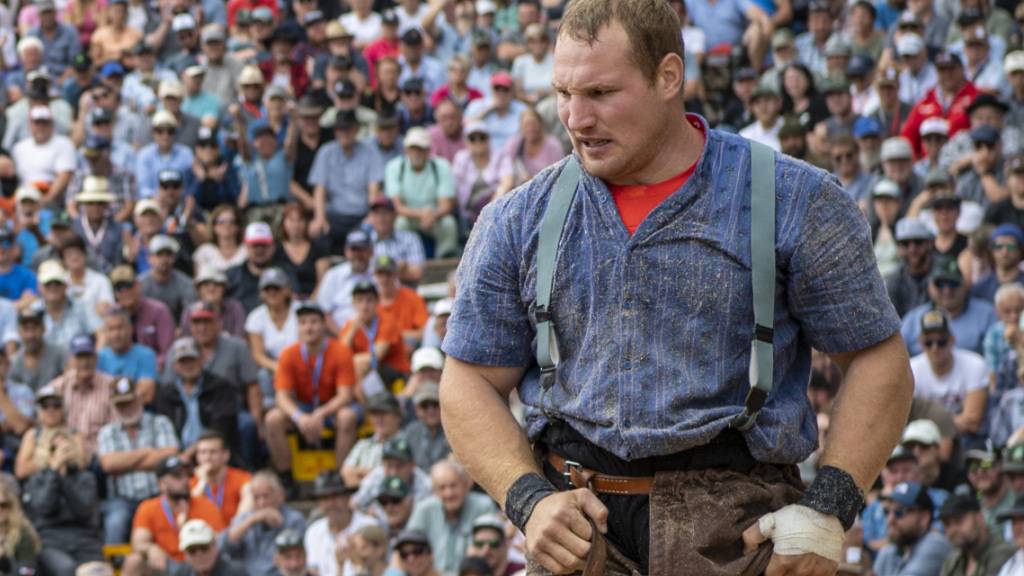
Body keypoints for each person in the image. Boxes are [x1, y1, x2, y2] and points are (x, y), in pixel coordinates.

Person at [442, 2, 914, 576]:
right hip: (580, 536)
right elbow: (467, 380)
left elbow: (876, 358)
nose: (574, 117)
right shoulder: (517, 218)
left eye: (599, 93)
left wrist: (828, 509)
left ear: (669, 77)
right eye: (563, 92)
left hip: (739, 534)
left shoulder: (795, 200)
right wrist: (527, 499)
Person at [266, 301, 358, 481]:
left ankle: (339, 476)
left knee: (347, 416)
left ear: (324, 325)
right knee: (273, 419)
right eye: (303, 322)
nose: (309, 327)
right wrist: (299, 417)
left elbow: (345, 395)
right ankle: (286, 478)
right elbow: (281, 395)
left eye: (314, 322)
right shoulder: (288, 354)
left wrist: (321, 414)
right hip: (303, 407)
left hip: (331, 407)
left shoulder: (341, 351)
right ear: (298, 327)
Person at [97, 377, 180, 545]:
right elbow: (109, 464)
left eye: (130, 402)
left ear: (139, 399)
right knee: (115, 522)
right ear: (113, 405)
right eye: (121, 404)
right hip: (122, 499)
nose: (126, 408)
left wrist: (125, 463)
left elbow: (170, 455)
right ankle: (115, 568)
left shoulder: (160, 422)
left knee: (176, 515)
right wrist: (147, 452)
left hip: (158, 494)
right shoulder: (107, 431)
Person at [22, 412, 102, 576]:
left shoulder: (85, 478)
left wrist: (64, 477)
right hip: (50, 542)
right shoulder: (37, 479)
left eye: (64, 448)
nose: (59, 453)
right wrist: (54, 473)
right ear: (46, 451)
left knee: (98, 572)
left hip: (85, 541)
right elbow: (45, 508)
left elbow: (84, 510)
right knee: (67, 569)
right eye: (54, 448)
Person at [122, 456, 226, 575]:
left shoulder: (205, 505)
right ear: (161, 484)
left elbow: (219, 542)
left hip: (197, 564)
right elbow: (138, 542)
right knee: (134, 561)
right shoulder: (148, 507)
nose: (185, 480)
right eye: (177, 476)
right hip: (165, 566)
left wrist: (186, 527)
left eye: (187, 475)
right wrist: (150, 548)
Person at [307, 110, 384, 251]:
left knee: (374, 233)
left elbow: (374, 190)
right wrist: (319, 217)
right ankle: (322, 272)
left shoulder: (370, 152)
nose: (344, 133)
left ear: (356, 129)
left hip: (361, 215)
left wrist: (372, 215)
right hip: (334, 215)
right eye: (340, 129)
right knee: (316, 232)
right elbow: (319, 189)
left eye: (348, 128)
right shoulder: (326, 152)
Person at [909, 309, 989, 444]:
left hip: (965, 440)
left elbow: (972, 423)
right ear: (920, 343)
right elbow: (908, 420)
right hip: (923, 443)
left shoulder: (975, 364)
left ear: (952, 340)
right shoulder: (911, 369)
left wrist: (929, 422)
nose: (935, 348)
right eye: (928, 342)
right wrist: (952, 422)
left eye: (941, 342)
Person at [152, 338, 241, 458]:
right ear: (175, 366)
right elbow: (165, 429)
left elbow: (220, 429)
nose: (188, 365)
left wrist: (189, 454)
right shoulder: (165, 394)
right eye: (183, 361)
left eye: (192, 360)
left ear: (202, 359)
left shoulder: (221, 387)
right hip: (177, 454)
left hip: (213, 453)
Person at [405, 461, 497, 574]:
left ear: (466, 484)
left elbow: (494, 550)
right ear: (434, 491)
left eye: (453, 485)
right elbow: (406, 546)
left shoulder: (483, 506)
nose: (448, 493)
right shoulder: (424, 509)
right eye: (442, 488)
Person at [902, 257, 998, 356]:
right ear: (929, 286)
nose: (947, 291)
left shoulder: (987, 315)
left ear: (964, 285)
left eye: (953, 283)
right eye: (940, 284)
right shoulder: (912, 320)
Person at [49, 333, 114, 458]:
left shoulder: (110, 386)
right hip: (66, 454)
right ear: (71, 359)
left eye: (88, 356)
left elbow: (116, 429)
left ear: (96, 357)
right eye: (79, 357)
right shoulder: (58, 387)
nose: (84, 362)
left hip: (100, 456)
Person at [303, 470, 377, 576]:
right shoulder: (313, 532)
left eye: (335, 496)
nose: (331, 503)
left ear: (347, 497)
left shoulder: (369, 526)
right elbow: (313, 571)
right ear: (318, 503)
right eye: (324, 498)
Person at [873, 481, 952, 576]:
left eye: (899, 512)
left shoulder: (935, 544)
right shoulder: (890, 551)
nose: (890, 520)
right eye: (887, 512)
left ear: (924, 517)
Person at [109, 265, 175, 369]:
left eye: (128, 286)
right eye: (119, 288)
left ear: (138, 285)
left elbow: (168, 352)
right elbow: (109, 351)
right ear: (114, 293)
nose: (125, 292)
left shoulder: (159, 311)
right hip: (122, 369)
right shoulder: (112, 314)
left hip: (155, 369)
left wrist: (146, 368)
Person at [939, 492, 1016, 576]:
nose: (953, 530)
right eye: (947, 524)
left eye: (959, 521)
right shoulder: (952, 560)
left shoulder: (1003, 553)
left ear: (979, 517)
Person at [227, 222, 296, 314]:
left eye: (264, 245)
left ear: (273, 246)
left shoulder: (285, 272)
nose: (259, 250)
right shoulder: (233, 274)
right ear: (246, 247)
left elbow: (295, 299)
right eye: (255, 246)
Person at [352, 436, 432, 512]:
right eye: (389, 465)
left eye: (400, 466)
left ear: (412, 465)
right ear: (383, 464)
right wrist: (366, 512)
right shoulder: (378, 475)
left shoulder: (425, 484)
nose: (393, 472)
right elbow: (354, 504)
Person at [189, 430, 252, 526]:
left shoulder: (242, 479)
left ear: (225, 455)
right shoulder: (191, 483)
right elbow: (189, 510)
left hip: (233, 535)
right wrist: (202, 482)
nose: (208, 457)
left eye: (213, 452)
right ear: (197, 457)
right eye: (203, 452)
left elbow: (245, 512)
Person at [341, 393, 405, 487]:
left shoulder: (407, 443)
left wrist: (362, 473)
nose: (379, 419)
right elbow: (345, 472)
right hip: (361, 499)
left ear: (397, 416)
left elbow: (398, 478)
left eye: (384, 413)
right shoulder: (363, 444)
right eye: (375, 414)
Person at [317, 230, 373, 334]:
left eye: (362, 249)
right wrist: (343, 338)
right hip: (338, 335)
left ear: (371, 251)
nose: (358, 254)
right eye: (354, 249)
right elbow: (324, 313)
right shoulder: (333, 275)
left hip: (376, 336)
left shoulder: (381, 275)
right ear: (346, 251)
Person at [98, 307, 159, 402]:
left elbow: (147, 394)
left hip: (139, 412)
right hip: (106, 413)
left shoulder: (146, 354)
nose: (116, 334)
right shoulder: (99, 357)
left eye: (120, 328)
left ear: (131, 329)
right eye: (111, 329)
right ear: (105, 332)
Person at [37, 259, 100, 349]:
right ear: (40, 287)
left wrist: (94, 360)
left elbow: (101, 334)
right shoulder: (33, 312)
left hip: (79, 361)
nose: (53, 287)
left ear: (66, 284)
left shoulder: (82, 306)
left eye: (57, 282)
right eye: (48, 283)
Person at [368, 197, 425, 286]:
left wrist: (378, 271)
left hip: (403, 293)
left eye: (385, 213)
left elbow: (416, 273)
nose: (381, 218)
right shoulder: (365, 240)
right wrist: (397, 268)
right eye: (377, 213)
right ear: (371, 217)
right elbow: (360, 273)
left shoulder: (410, 239)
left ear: (394, 215)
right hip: (371, 295)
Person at [139, 234, 196, 322]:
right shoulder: (140, 284)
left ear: (174, 257)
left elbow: (190, 313)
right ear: (149, 258)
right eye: (159, 255)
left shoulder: (186, 283)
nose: (164, 260)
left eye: (168, 255)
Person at [9, 304, 67, 391]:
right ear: (19, 332)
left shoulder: (60, 353)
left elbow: (71, 380)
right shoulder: (15, 362)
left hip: (56, 402)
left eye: (34, 328)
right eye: (26, 329)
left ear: (44, 328)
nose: (30, 335)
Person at [402, 381, 450, 472]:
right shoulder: (410, 432)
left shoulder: (453, 431)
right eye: (424, 406)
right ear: (416, 409)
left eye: (435, 404)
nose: (430, 410)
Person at [174, 519, 246, 576]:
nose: (199, 555)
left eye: (204, 548)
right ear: (186, 555)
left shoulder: (235, 572)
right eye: (192, 550)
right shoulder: (181, 573)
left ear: (215, 546)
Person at [0, 479, 41, 575]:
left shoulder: (22, 532)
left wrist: (5, 560)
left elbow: (27, 571)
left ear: (11, 506)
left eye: (3, 505)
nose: (0, 509)